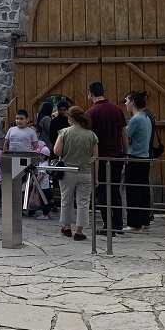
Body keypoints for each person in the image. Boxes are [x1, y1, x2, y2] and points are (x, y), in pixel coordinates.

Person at [86, 81, 128, 236]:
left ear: (90, 93)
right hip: (117, 157)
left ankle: (107, 225)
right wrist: (125, 153)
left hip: (101, 158)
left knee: (102, 192)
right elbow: (124, 133)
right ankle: (118, 224)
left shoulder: (92, 113)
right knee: (115, 191)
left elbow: (88, 138)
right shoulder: (117, 110)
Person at [54, 106, 98, 240]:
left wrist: (65, 154)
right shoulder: (91, 135)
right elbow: (95, 158)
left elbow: (56, 151)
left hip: (67, 171)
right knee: (83, 202)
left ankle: (67, 227)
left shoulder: (64, 132)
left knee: (66, 199)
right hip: (85, 172)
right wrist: (96, 176)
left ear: (70, 118)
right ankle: (79, 231)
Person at [124, 90, 154, 232]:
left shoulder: (136, 119)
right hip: (145, 157)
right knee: (143, 189)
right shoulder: (146, 117)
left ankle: (134, 222)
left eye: (127, 101)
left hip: (135, 157)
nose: (126, 104)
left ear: (133, 102)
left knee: (133, 191)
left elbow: (125, 136)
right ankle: (145, 220)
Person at [29, 142, 53, 220]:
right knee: (45, 199)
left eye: (40, 155)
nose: (39, 156)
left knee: (44, 200)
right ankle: (47, 212)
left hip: (43, 186)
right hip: (43, 185)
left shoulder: (44, 165)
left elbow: (42, 176)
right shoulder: (41, 164)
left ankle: (45, 214)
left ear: (43, 156)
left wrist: (36, 182)